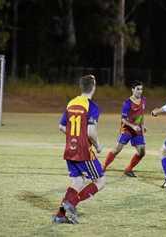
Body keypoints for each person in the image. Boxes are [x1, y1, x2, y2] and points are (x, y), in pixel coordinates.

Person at [53, 74, 105, 224]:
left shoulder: (71, 103)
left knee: (77, 181)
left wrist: (74, 136)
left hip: (70, 148)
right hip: (83, 151)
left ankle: (60, 215)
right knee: (100, 181)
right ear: (93, 87)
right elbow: (90, 132)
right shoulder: (92, 106)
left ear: (81, 87)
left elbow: (61, 126)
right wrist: (97, 146)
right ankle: (72, 204)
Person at [103, 81, 146, 177]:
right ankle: (103, 166)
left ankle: (128, 169)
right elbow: (123, 119)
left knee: (142, 152)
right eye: (138, 89)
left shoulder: (143, 100)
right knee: (117, 149)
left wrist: (142, 125)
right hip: (127, 129)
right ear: (132, 90)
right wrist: (133, 126)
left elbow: (141, 115)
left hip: (137, 130)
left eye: (141, 89)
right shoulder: (127, 103)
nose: (140, 91)